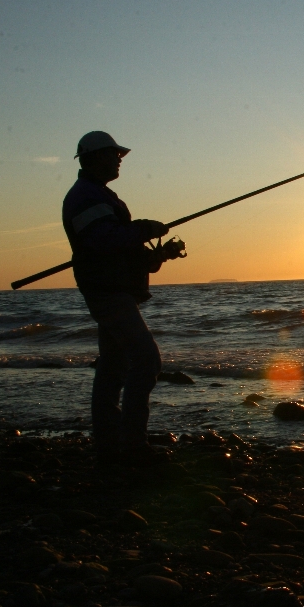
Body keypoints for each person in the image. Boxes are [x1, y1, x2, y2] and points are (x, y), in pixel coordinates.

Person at [62, 131, 184, 466]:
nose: (119, 160)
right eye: (113, 155)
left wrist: (160, 255)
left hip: (112, 289)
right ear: (94, 157)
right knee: (146, 361)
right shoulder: (85, 197)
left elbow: (119, 251)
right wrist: (144, 227)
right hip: (107, 293)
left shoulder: (97, 195)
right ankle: (132, 446)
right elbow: (104, 240)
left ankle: (109, 445)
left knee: (113, 368)